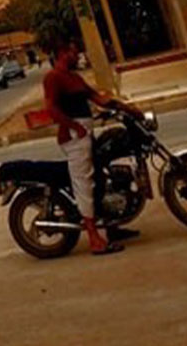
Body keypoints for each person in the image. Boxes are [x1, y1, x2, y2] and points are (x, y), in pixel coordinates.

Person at [44, 39, 143, 255]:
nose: (78, 55)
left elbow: (98, 98)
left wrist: (126, 108)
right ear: (62, 53)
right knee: (85, 183)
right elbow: (50, 108)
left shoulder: (75, 77)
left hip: (85, 133)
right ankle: (94, 239)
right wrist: (73, 127)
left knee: (100, 175)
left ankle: (111, 227)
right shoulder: (54, 77)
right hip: (74, 136)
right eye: (73, 52)